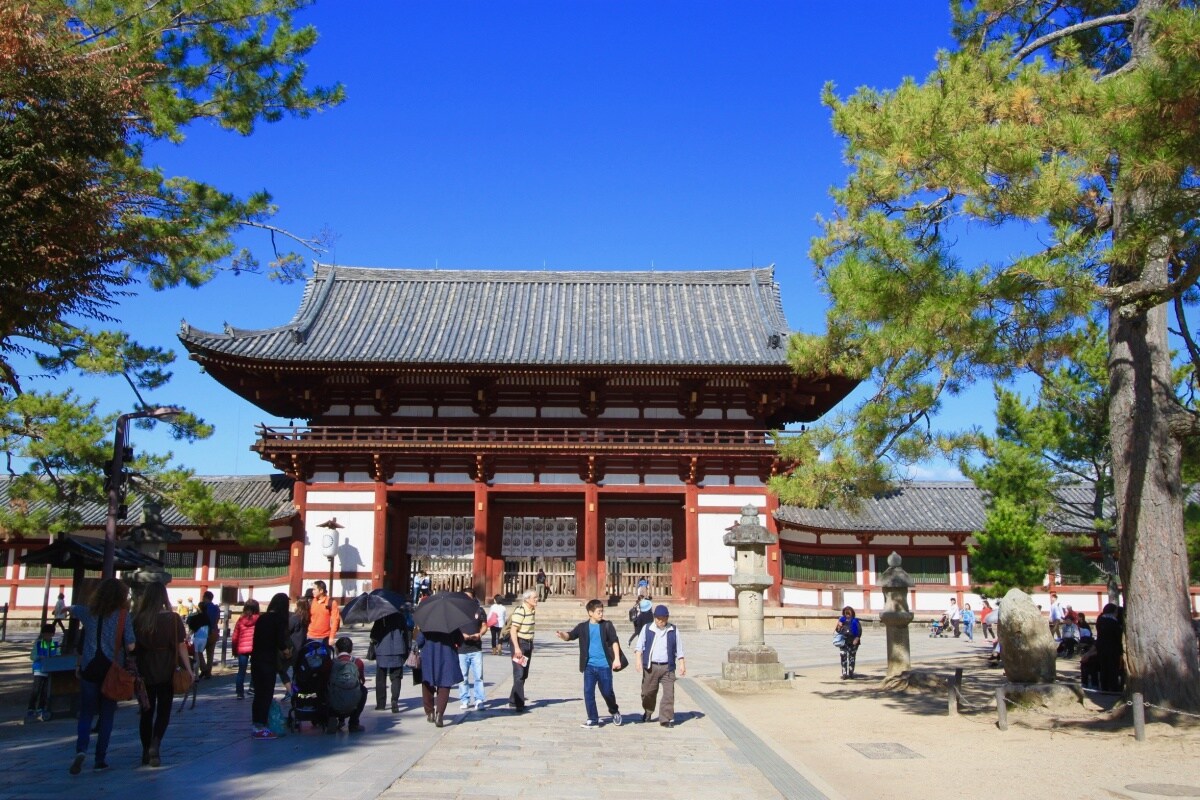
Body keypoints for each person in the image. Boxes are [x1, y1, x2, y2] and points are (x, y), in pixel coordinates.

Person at [69, 576, 136, 774]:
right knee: (107, 715)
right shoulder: (123, 615)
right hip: (111, 668)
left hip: (89, 666)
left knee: (87, 712)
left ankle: (81, 749)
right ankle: (100, 759)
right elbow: (131, 644)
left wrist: (65, 608)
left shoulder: (89, 612)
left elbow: (72, 609)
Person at [133, 581, 191, 768]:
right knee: (164, 710)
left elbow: (132, 647)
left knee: (146, 711)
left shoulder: (139, 619)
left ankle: (145, 750)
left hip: (145, 668)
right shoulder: (173, 619)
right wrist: (189, 670)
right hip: (167, 667)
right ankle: (155, 744)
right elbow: (181, 645)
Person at [556, 599, 625, 728]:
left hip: (604, 665)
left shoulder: (607, 625)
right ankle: (593, 719)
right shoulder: (582, 627)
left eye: (602, 611)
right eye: (598, 612)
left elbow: (614, 641)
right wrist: (562, 635)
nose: (601, 614)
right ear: (590, 613)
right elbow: (570, 636)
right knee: (588, 692)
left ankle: (614, 710)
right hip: (589, 666)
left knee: (607, 692)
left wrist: (616, 659)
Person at [635, 604, 686, 728]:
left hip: (667, 667)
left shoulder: (673, 630)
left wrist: (682, 664)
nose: (660, 621)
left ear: (667, 618)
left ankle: (665, 718)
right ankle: (648, 711)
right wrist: (638, 660)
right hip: (651, 667)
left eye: (663, 619)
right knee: (647, 693)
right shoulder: (647, 629)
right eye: (658, 619)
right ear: (654, 617)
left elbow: (679, 649)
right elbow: (639, 647)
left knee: (669, 694)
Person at [250, 593, 293, 740]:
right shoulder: (278, 620)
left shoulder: (262, 618)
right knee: (266, 694)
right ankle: (261, 726)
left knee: (258, 694)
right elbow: (280, 642)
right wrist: (287, 652)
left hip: (256, 659)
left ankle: (256, 724)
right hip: (268, 661)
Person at [417, 626, 464, 727]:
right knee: (444, 685)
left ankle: (430, 712)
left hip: (429, 656)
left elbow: (419, 641)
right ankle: (439, 714)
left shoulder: (427, 623)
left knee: (427, 683)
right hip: (447, 656)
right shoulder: (451, 623)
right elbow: (460, 641)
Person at [369, 610, 409, 713]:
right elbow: (406, 633)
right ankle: (394, 700)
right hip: (398, 649)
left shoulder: (380, 617)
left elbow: (374, 634)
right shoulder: (400, 616)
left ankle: (381, 704)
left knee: (380, 677)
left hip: (382, 649)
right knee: (396, 677)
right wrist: (406, 649)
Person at [327, 636, 368, 733]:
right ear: (351, 649)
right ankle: (353, 723)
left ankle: (331, 717)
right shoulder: (358, 662)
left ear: (337, 649)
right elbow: (362, 680)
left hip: (334, 701)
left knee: (325, 688)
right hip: (352, 702)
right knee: (363, 690)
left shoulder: (331, 663)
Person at [507, 589, 538, 713]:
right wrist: (517, 648)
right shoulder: (521, 611)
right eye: (534, 598)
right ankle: (519, 703)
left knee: (524, 674)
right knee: (519, 674)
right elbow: (513, 630)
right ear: (527, 599)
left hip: (528, 644)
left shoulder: (532, 610)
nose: (537, 599)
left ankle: (513, 700)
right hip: (520, 643)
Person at [457, 587, 488, 711]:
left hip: (476, 648)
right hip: (462, 648)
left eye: (469, 596)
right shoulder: (457, 611)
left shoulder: (479, 610)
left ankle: (479, 699)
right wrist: (461, 635)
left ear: (473, 597)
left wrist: (479, 634)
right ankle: (465, 699)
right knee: (463, 676)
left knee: (478, 676)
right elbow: (454, 628)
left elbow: (485, 626)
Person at [26, 624, 58, 724]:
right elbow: (32, 656)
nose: (48, 636)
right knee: (36, 689)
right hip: (39, 669)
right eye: (46, 634)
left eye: (50, 634)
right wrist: (39, 657)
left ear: (52, 634)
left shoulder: (53, 643)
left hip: (48, 670)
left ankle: (41, 708)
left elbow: (57, 653)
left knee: (45, 691)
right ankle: (31, 709)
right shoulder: (39, 643)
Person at [231, 599, 260, 699]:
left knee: (241, 670)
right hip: (255, 647)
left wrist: (234, 649)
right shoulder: (259, 619)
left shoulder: (240, 620)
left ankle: (239, 692)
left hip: (242, 647)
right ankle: (252, 688)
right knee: (255, 669)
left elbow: (235, 636)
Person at [1095, 603, 1124, 692]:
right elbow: (1118, 636)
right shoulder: (1114, 622)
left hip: (1101, 647)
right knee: (1113, 668)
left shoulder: (1100, 620)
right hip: (1113, 648)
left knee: (1104, 667)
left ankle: (1104, 687)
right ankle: (1113, 687)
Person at [306, 580, 341, 645]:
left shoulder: (331, 602)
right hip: (310, 636)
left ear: (321, 591)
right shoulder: (312, 601)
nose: (312, 591)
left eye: (314, 589)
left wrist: (332, 637)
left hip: (325, 637)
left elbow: (335, 620)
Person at [835, 605, 863, 679]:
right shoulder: (841, 621)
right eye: (845, 613)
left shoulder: (855, 621)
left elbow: (859, 631)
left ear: (852, 613)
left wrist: (856, 639)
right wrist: (838, 626)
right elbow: (837, 631)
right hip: (843, 641)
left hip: (853, 642)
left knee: (852, 657)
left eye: (848, 613)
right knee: (843, 657)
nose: (847, 615)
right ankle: (844, 673)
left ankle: (851, 672)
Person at [185, 602, 210, 680]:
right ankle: (205, 670)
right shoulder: (207, 617)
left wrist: (187, 636)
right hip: (205, 638)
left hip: (197, 638)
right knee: (200, 654)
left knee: (196, 657)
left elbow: (191, 627)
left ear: (199, 608)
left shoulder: (196, 617)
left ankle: (196, 676)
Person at [198, 590, 220, 678]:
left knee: (198, 651)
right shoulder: (216, 608)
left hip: (204, 632)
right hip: (214, 631)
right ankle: (208, 672)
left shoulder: (204, 608)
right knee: (210, 653)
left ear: (206, 598)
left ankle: (204, 668)